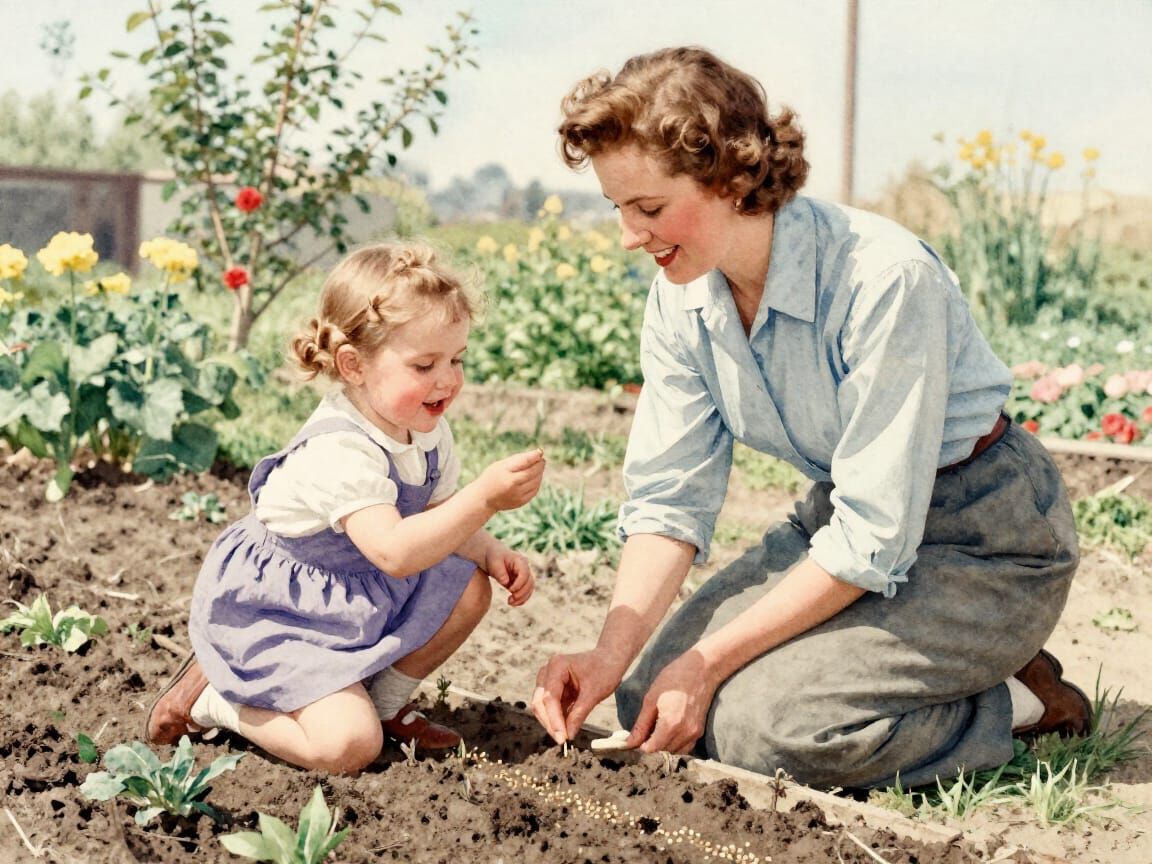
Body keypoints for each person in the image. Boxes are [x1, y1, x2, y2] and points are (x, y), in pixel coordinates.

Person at [531, 46, 1090, 790]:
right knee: (647, 699)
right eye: (619, 209)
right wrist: (611, 654)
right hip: (845, 522)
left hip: (983, 537)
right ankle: (915, 666)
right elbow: (670, 501)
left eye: (651, 208)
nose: (631, 236)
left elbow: (874, 533)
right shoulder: (683, 296)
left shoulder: (883, 277)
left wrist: (710, 662)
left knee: (774, 735)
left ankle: (1016, 699)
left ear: (729, 178)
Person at [146, 241, 546, 775]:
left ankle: (383, 707)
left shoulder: (425, 431)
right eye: (425, 364)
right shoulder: (340, 450)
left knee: (468, 582)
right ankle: (214, 702)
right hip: (288, 614)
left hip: (357, 594)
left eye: (457, 359)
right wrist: (486, 498)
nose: (447, 379)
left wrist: (490, 548)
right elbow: (397, 551)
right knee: (347, 749)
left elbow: (437, 513)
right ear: (353, 365)